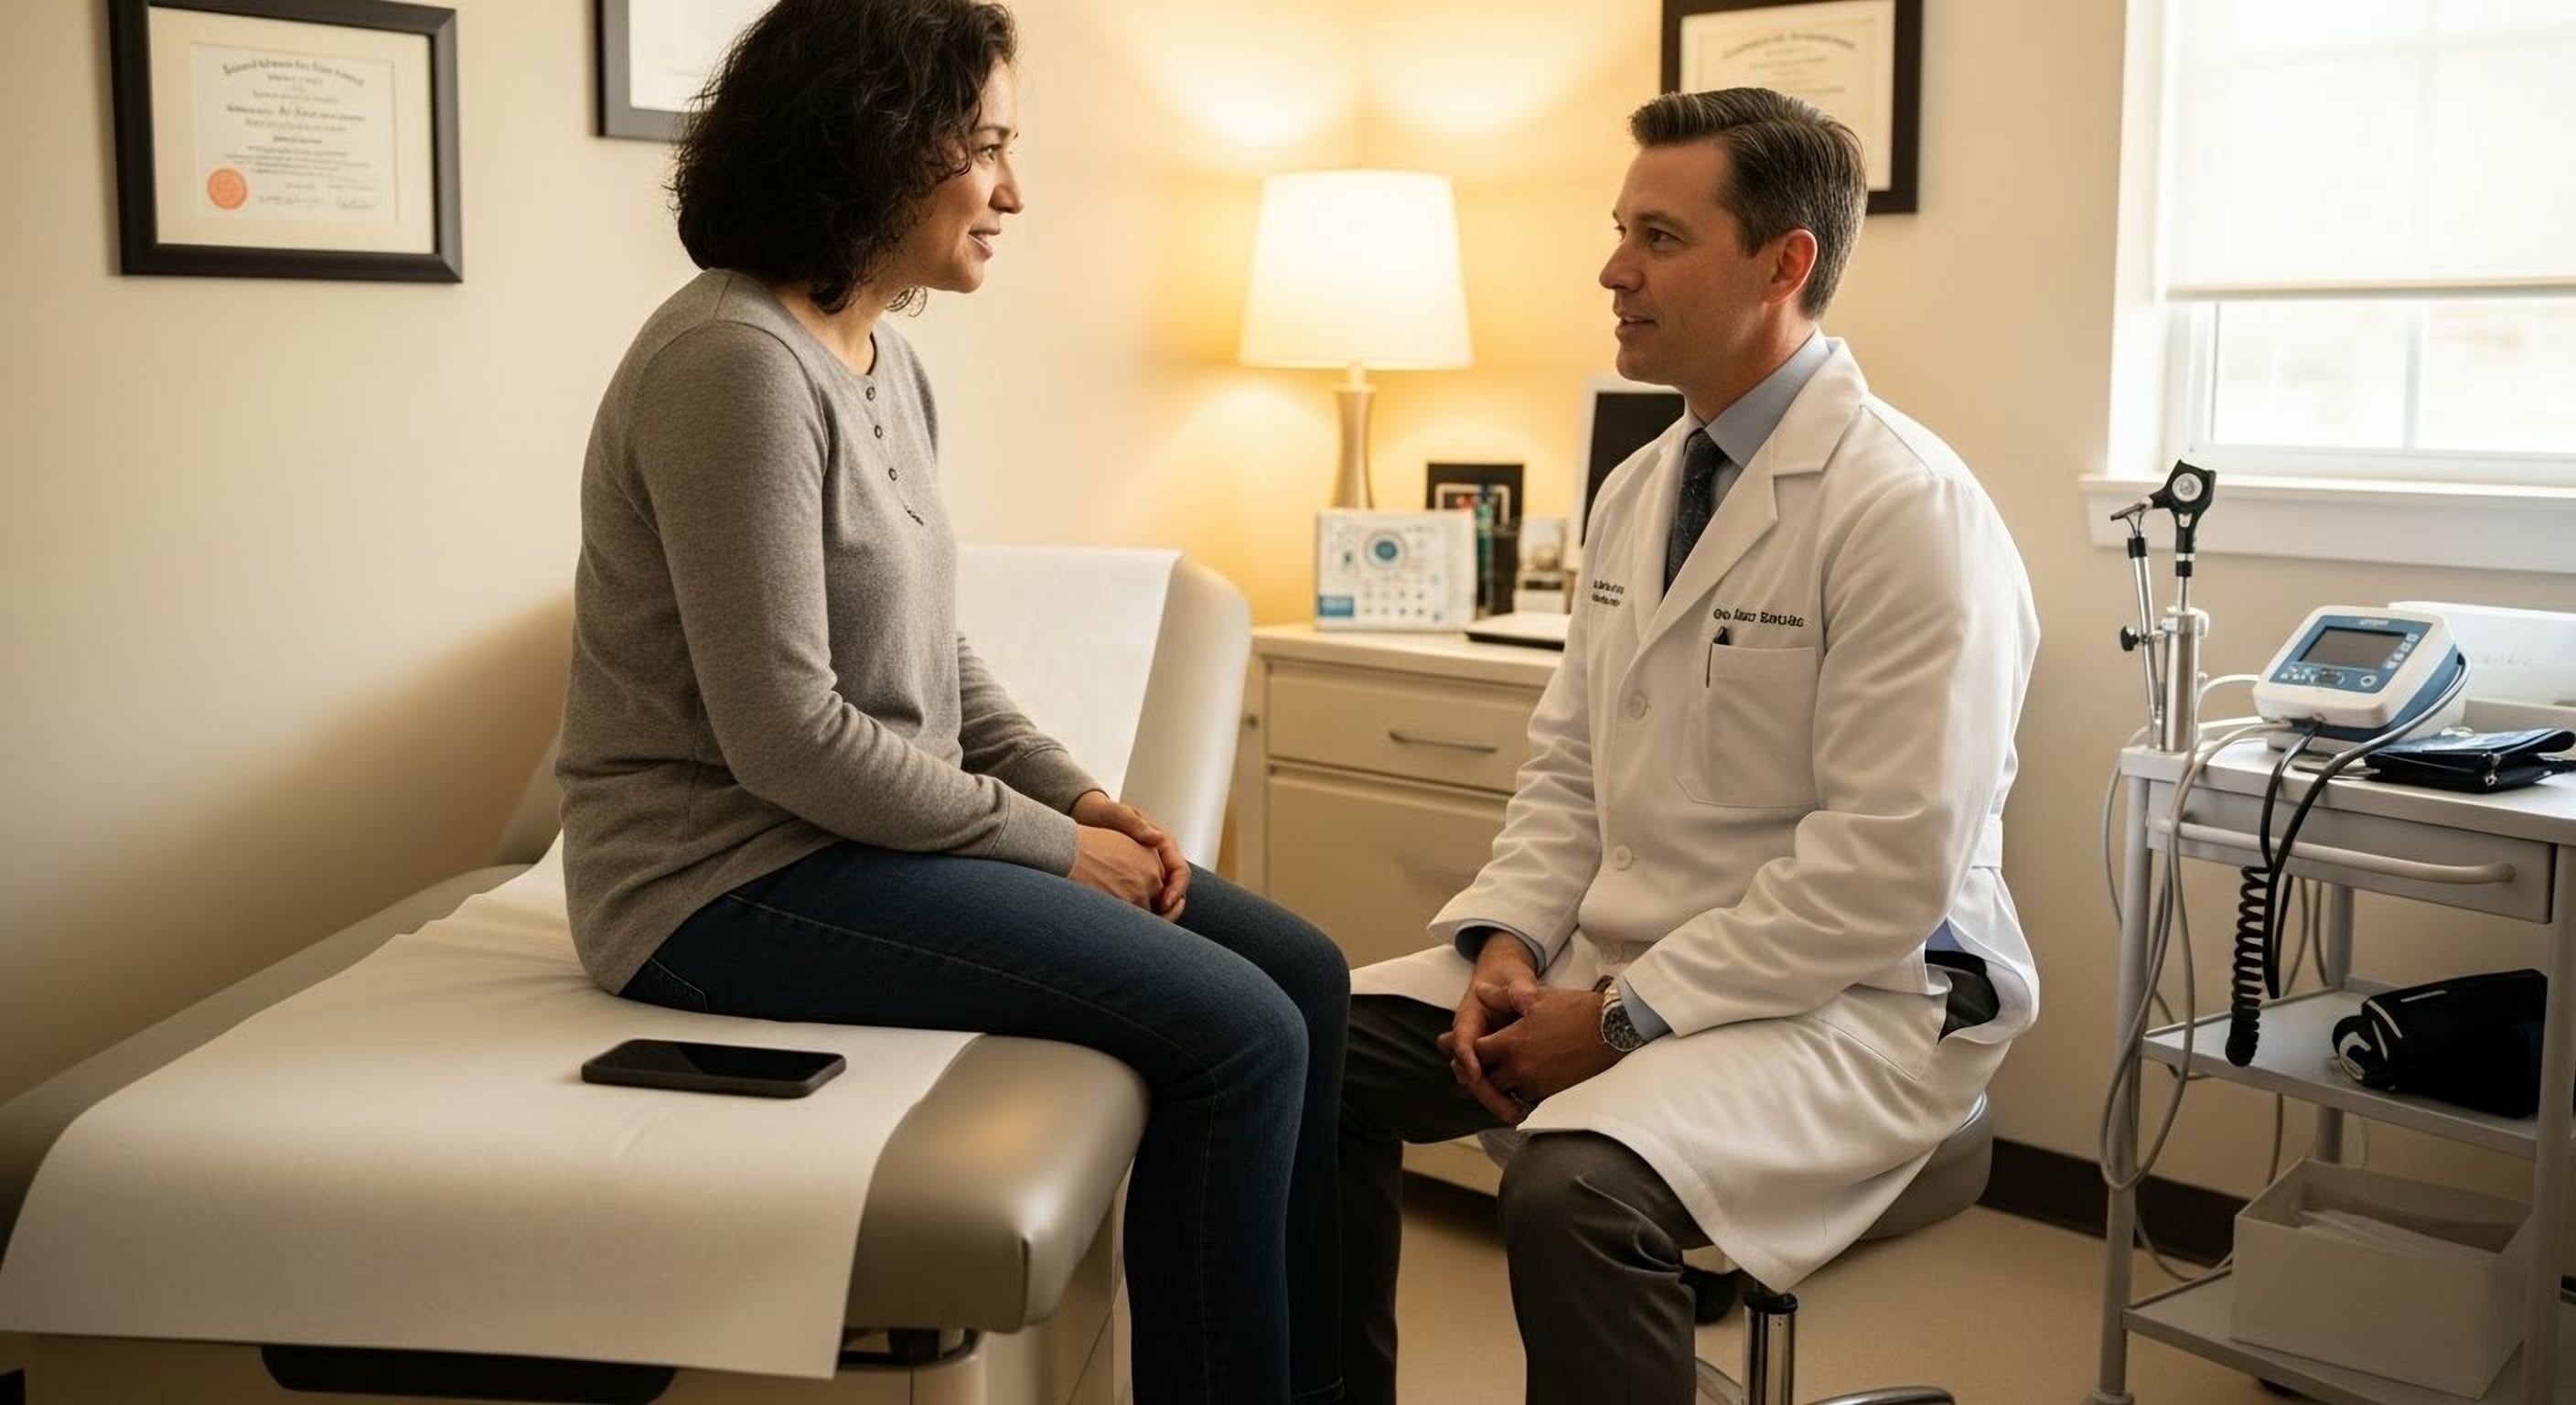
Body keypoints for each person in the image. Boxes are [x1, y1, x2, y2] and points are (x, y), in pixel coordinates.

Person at [554, 4, 1346, 1402]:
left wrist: (1084, 797)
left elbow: (937, 656)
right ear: (870, 144)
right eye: (984, 149)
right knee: (1238, 1034)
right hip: (718, 883)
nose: (1014, 192)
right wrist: (1053, 851)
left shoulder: (883, 360)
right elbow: (787, 733)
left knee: (1306, 975)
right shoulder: (732, 366)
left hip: (855, 846)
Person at [1336, 87, 2040, 1405]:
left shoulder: (1907, 511)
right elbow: (1571, 775)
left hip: (1855, 998)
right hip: (1617, 955)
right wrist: (1510, 943)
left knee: (1573, 1192)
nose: (1612, 269)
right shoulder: (1641, 486)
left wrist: (1614, 1019)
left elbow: (1886, 868)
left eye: (1658, 237)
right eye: (1619, 231)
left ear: (1786, 264)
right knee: (1295, 1047)